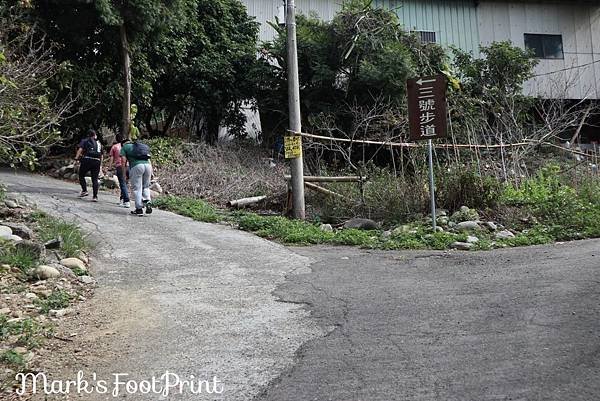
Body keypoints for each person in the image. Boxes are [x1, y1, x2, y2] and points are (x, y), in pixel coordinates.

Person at [120, 138, 152, 215]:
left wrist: (124, 174)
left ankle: (139, 209)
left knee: (137, 188)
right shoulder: (140, 146)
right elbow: (148, 159)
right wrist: (152, 171)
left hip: (136, 166)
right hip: (148, 166)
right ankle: (147, 201)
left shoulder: (125, 147)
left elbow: (123, 161)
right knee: (146, 186)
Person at [75, 129, 103, 201]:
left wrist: (76, 158)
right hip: (97, 161)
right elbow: (101, 155)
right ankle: (95, 196)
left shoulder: (84, 141)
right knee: (95, 179)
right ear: (94, 135)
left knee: (81, 175)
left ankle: (84, 190)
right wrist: (100, 165)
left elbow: (80, 149)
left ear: (88, 135)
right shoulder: (99, 143)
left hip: (87, 160)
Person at [108, 134, 130, 208]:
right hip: (129, 166)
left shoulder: (114, 147)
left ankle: (126, 201)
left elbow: (111, 158)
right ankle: (122, 200)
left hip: (120, 166)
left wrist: (110, 168)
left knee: (122, 184)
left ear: (116, 139)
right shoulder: (128, 146)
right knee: (125, 184)